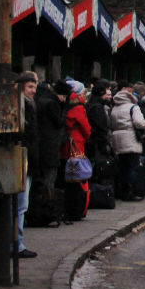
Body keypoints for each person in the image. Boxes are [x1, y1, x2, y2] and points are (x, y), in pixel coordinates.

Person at [13, 71, 39, 258]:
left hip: (24, 158)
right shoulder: (23, 107)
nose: (33, 91)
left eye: (35, 87)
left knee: (21, 205)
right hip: (21, 158)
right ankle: (16, 243)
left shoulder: (29, 105)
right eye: (30, 86)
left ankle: (16, 242)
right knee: (20, 205)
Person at [110, 81, 145, 201]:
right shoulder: (133, 107)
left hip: (117, 138)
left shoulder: (115, 107)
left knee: (122, 166)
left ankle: (121, 191)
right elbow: (139, 122)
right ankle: (130, 192)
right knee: (132, 166)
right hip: (130, 138)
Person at [60, 85, 92, 221]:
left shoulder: (64, 108)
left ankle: (66, 208)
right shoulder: (79, 109)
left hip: (65, 146)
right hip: (76, 145)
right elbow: (86, 128)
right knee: (78, 176)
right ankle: (76, 208)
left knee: (65, 177)